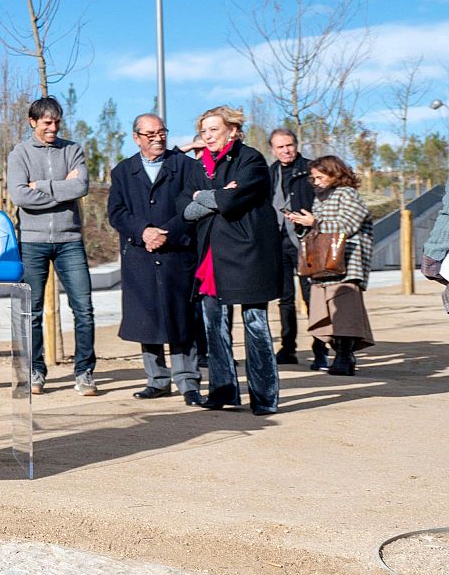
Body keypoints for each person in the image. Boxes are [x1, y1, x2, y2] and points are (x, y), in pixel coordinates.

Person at [180, 105, 281, 415]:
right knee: (214, 327)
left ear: (233, 131)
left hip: (249, 254)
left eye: (213, 129)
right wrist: (210, 197)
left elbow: (233, 200)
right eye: (204, 131)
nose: (207, 136)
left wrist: (211, 197)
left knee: (255, 325)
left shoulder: (250, 159)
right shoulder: (198, 167)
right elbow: (185, 208)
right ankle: (223, 392)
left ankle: (265, 398)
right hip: (210, 255)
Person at [108, 113, 206, 405]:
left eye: (161, 131)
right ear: (137, 138)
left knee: (181, 319)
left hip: (178, 252)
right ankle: (157, 380)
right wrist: (143, 232)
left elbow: (194, 205)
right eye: (150, 134)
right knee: (146, 318)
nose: (158, 137)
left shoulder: (186, 167)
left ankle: (188, 382)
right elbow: (117, 212)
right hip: (140, 255)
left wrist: (167, 232)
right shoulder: (123, 171)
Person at [7, 96, 98, 396]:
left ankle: (84, 372)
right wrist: (62, 189)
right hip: (32, 242)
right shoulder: (19, 153)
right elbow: (20, 197)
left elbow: (81, 186)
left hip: (70, 241)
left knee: (83, 309)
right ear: (33, 122)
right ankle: (35, 370)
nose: (53, 127)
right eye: (47, 122)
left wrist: (41, 186)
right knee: (31, 312)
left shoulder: (73, 150)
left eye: (57, 121)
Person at [287, 156, 374, 376]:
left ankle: (345, 357)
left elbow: (349, 224)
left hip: (346, 263)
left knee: (344, 312)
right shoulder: (321, 198)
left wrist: (315, 222)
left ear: (334, 173)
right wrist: (303, 224)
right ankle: (340, 356)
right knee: (324, 310)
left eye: (320, 176)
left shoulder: (347, 194)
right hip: (322, 263)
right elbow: (319, 230)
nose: (315, 181)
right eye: (313, 178)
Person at [267, 128, 325, 368]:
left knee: (313, 298)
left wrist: (315, 219)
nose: (286, 150)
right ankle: (287, 348)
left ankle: (320, 349)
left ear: (296, 144)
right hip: (278, 243)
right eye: (280, 147)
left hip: (307, 241)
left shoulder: (311, 169)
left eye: (289, 145)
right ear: (273, 149)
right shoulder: (270, 173)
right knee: (285, 299)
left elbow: (325, 200)